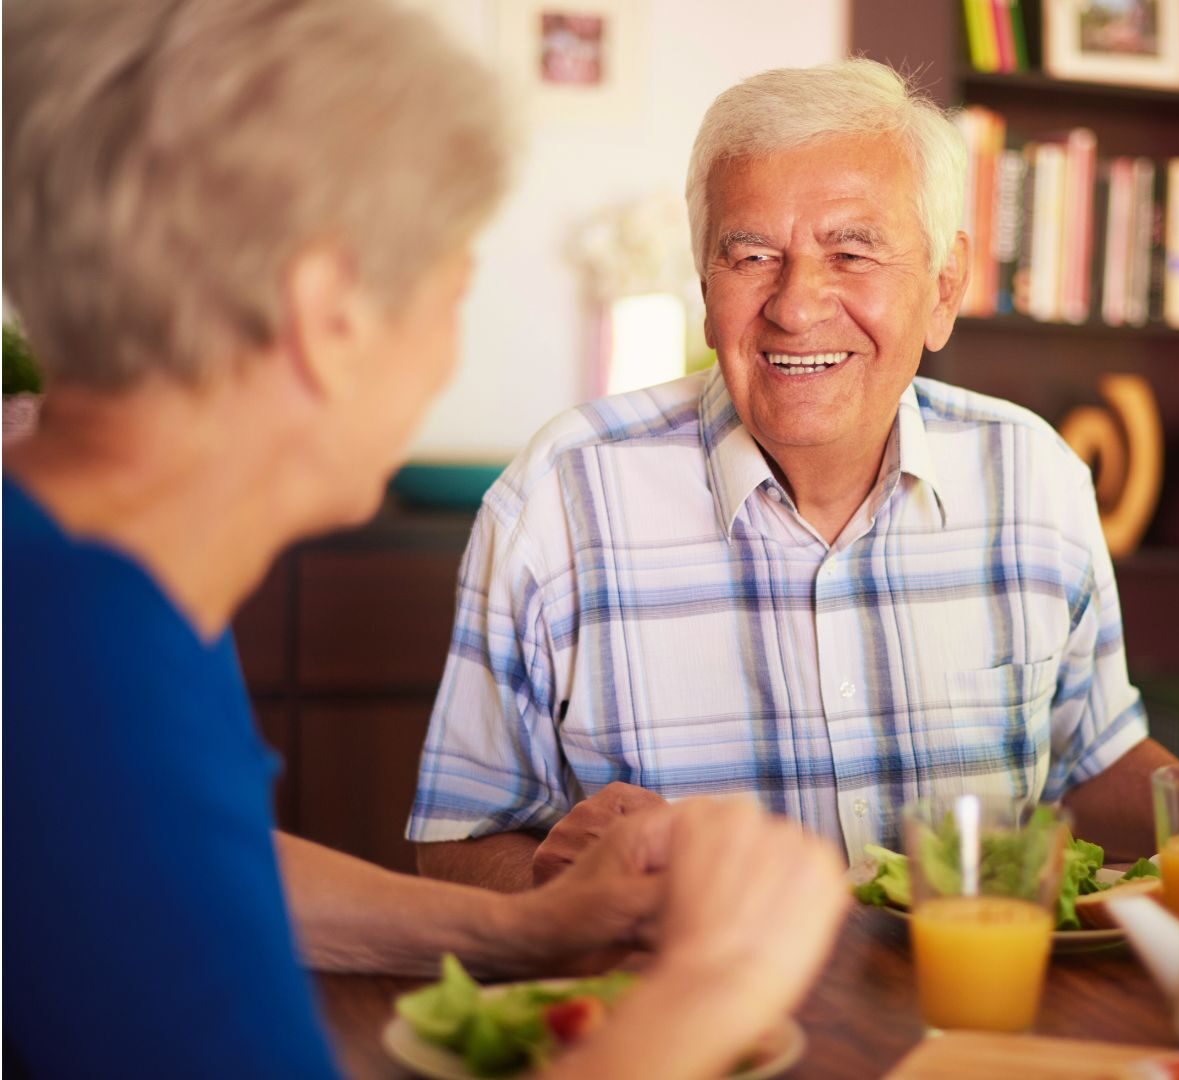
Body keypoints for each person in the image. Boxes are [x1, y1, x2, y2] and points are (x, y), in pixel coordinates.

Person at [0, 3, 848, 1078]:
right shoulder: (81, 660)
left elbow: (178, 869)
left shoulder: (82, 587)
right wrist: (712, 987)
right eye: (453, 291)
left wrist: (525, 932)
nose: (449, 353)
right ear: (330, 316)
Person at [408, 59, 1179, 894]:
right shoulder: (561, 496)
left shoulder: (1033, 477)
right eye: (751, 256)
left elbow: (1090, 765)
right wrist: (552, 875)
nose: (796, 306)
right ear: (706, 291)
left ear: (945, 287)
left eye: (852, 250)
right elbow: (455, 841)